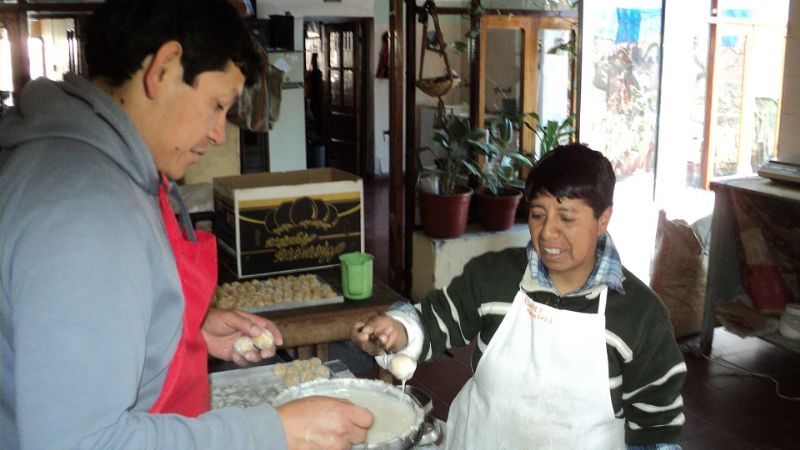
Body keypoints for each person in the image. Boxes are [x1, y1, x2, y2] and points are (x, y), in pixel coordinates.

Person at [0, 1, 371, 449]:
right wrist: (273, 432)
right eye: (216, 105)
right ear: (164, 69)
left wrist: (178, 333)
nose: (218, 132)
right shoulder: (85, 209)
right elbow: (80, 442)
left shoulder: (96, 165)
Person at [352, 144, 687, 449]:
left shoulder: (640, 315)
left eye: (566, 217)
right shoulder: (496, 277)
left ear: (603, 218)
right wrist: (397, 330)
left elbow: (656, 431)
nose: (547, 232)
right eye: (537, 214)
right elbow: (433, 321)